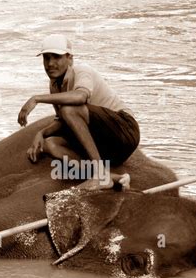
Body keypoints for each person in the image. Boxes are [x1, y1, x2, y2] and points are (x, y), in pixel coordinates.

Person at [17, 34, 140, 189]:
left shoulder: (82, 71)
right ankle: (111, 178)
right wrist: (42, 133)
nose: (50, 63)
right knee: (50, 145)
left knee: (69, 109)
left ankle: (99, 173)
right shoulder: (55, 85)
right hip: (102, 143)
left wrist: (36, 98)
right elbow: (62, 120)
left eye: (56, 57)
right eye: (46, 58)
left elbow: (80, 97)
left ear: (70, 58)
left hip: (124, 131)